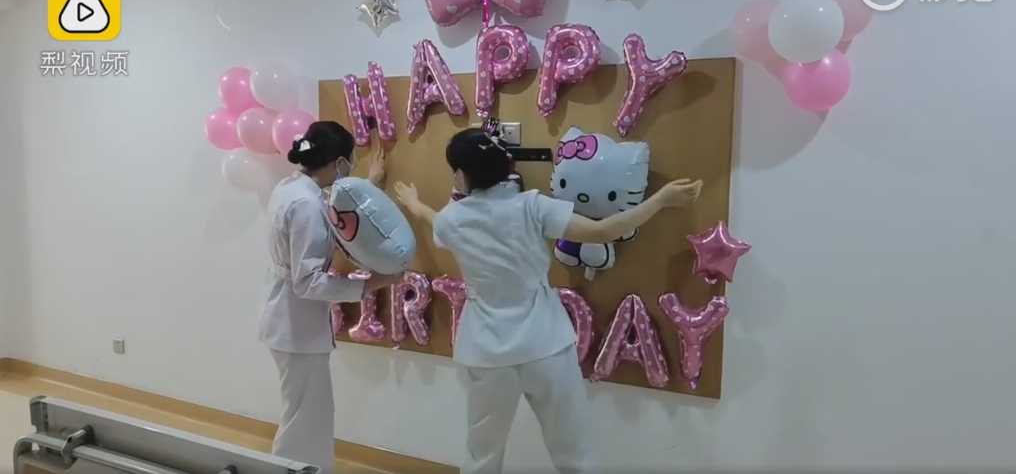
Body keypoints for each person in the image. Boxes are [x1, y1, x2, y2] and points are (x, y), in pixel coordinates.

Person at [393, 128, 702, 474]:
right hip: (546, 344)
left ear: (461, 176)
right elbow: (603, 231)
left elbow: (436, 220)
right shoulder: (533, 206)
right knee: (573, 451)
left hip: (487, 351)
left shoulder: (454, 218)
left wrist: (413, 203)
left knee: (482, 455)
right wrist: (659, 200)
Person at [259, 121, 403, 474]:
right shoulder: (305, 204)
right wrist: (371, 285)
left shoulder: (291, 187)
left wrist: (369, 187)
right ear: (339, 162)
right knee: (305, 420)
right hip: (295, 326)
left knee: (308, 415)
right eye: (349, 161)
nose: (350, 167)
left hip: (288, 320)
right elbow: (308, 282)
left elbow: (328, 216)